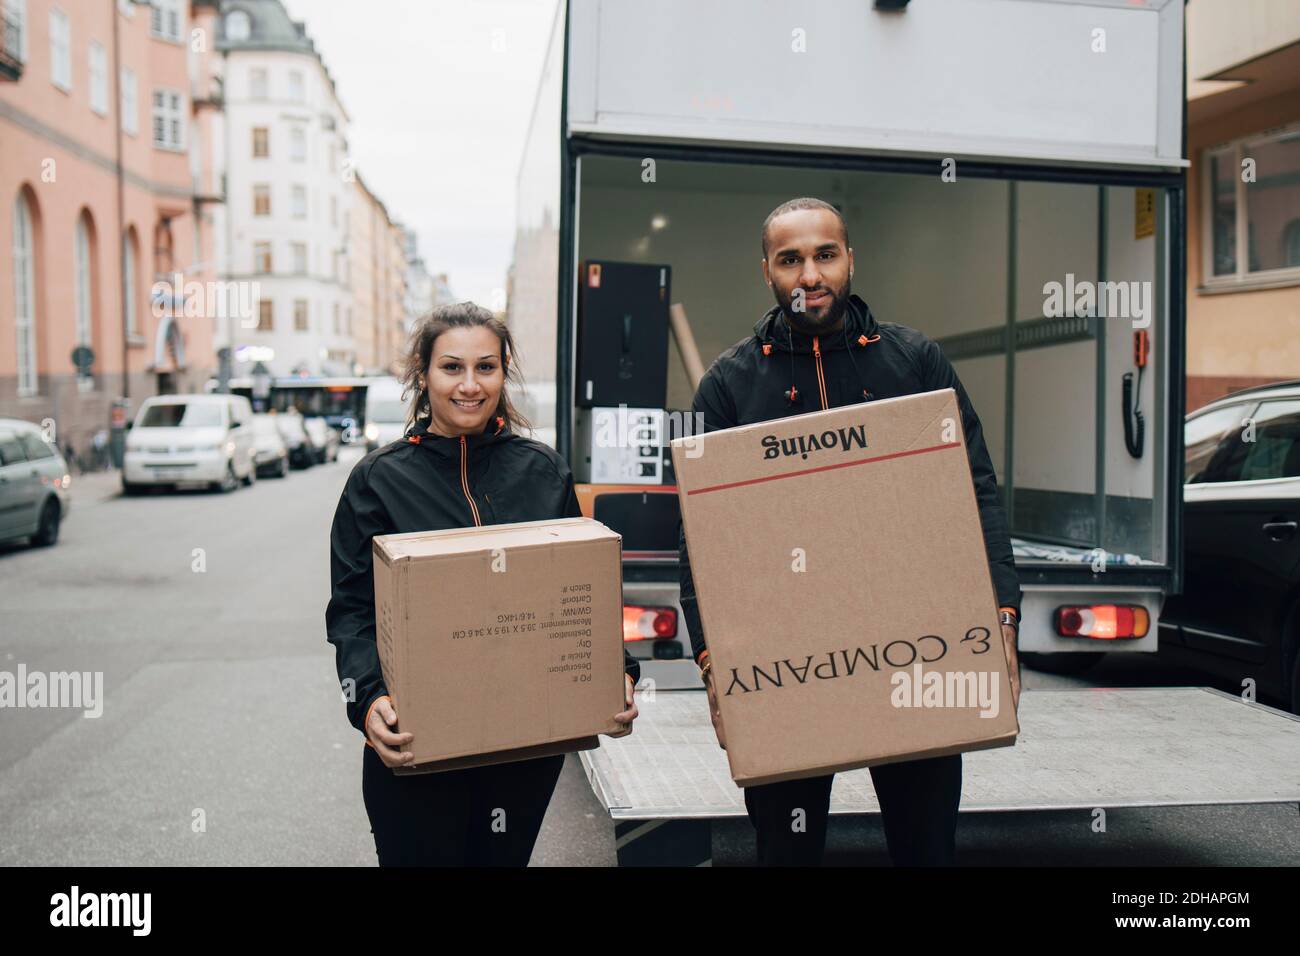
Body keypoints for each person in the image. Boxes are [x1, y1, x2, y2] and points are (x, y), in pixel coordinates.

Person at [679, 197, 1022, 866]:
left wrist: (1002, 613)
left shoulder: (914, 361)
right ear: (767, 272)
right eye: (790, 260)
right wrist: (711, 661)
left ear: (850, 259)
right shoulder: (727, 386)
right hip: (785, 658)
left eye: (824, 255)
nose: (810, 275)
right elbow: (701, 537)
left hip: (912, 641)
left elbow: (975, 488)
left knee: (925, 848)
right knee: (788, 849)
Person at [327, 301, 640, 866]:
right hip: (418, 741)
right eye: (451, 368)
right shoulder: (377, 480)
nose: (469, 385)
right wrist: (368, 698)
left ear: (504, 370)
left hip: (522, 750)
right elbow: (351, 610)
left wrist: (615, 672)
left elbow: (583, 588)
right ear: (423, 375)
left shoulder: (543, 471)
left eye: (486, 367)